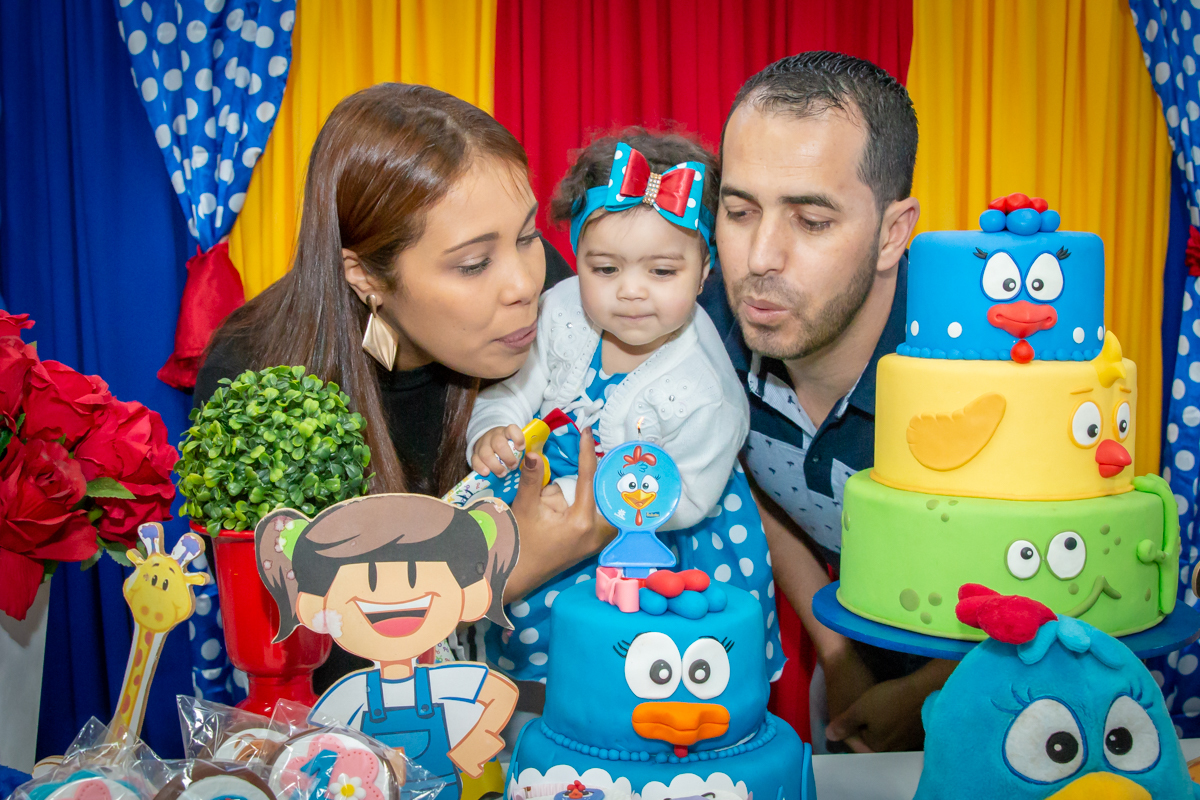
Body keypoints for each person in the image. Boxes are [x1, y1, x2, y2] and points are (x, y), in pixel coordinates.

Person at [193, 83, 609, 692]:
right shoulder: (259, 383)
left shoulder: (550, 300)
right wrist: (499, 575)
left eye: (526, 237)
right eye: (473, 265)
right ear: (364, 275)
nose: (523, 282)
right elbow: (301, 650)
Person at [464, 130, 782, 683]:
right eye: (605, 269)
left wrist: (585, 496)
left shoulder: (705, 390)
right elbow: (514, 388)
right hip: (542, 513)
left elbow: (691, 497)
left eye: (662, 272)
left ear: (705, 270)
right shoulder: (560, 314)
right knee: (535, 675)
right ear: (577, 259)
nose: (631, 291)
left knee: (639, 674)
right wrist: (494, 427)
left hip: (660, 539)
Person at [703, 51, 953, 752]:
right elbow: (738, 485)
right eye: (738, 210)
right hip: (852, 651)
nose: (759, 257)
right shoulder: (701, 336)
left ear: (894, 234)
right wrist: (837, 650)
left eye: (811, 221)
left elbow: (1067, 561)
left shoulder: (982, 366)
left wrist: (934, 687)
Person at [255, 493, 520, 800]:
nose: (394, 599)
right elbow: (318, 746)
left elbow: (499, 693)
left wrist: (473, 746)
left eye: (413, 577)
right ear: (315, 607)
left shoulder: (438, 681)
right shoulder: (352, 692)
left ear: (472, 595)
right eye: (370, 579)